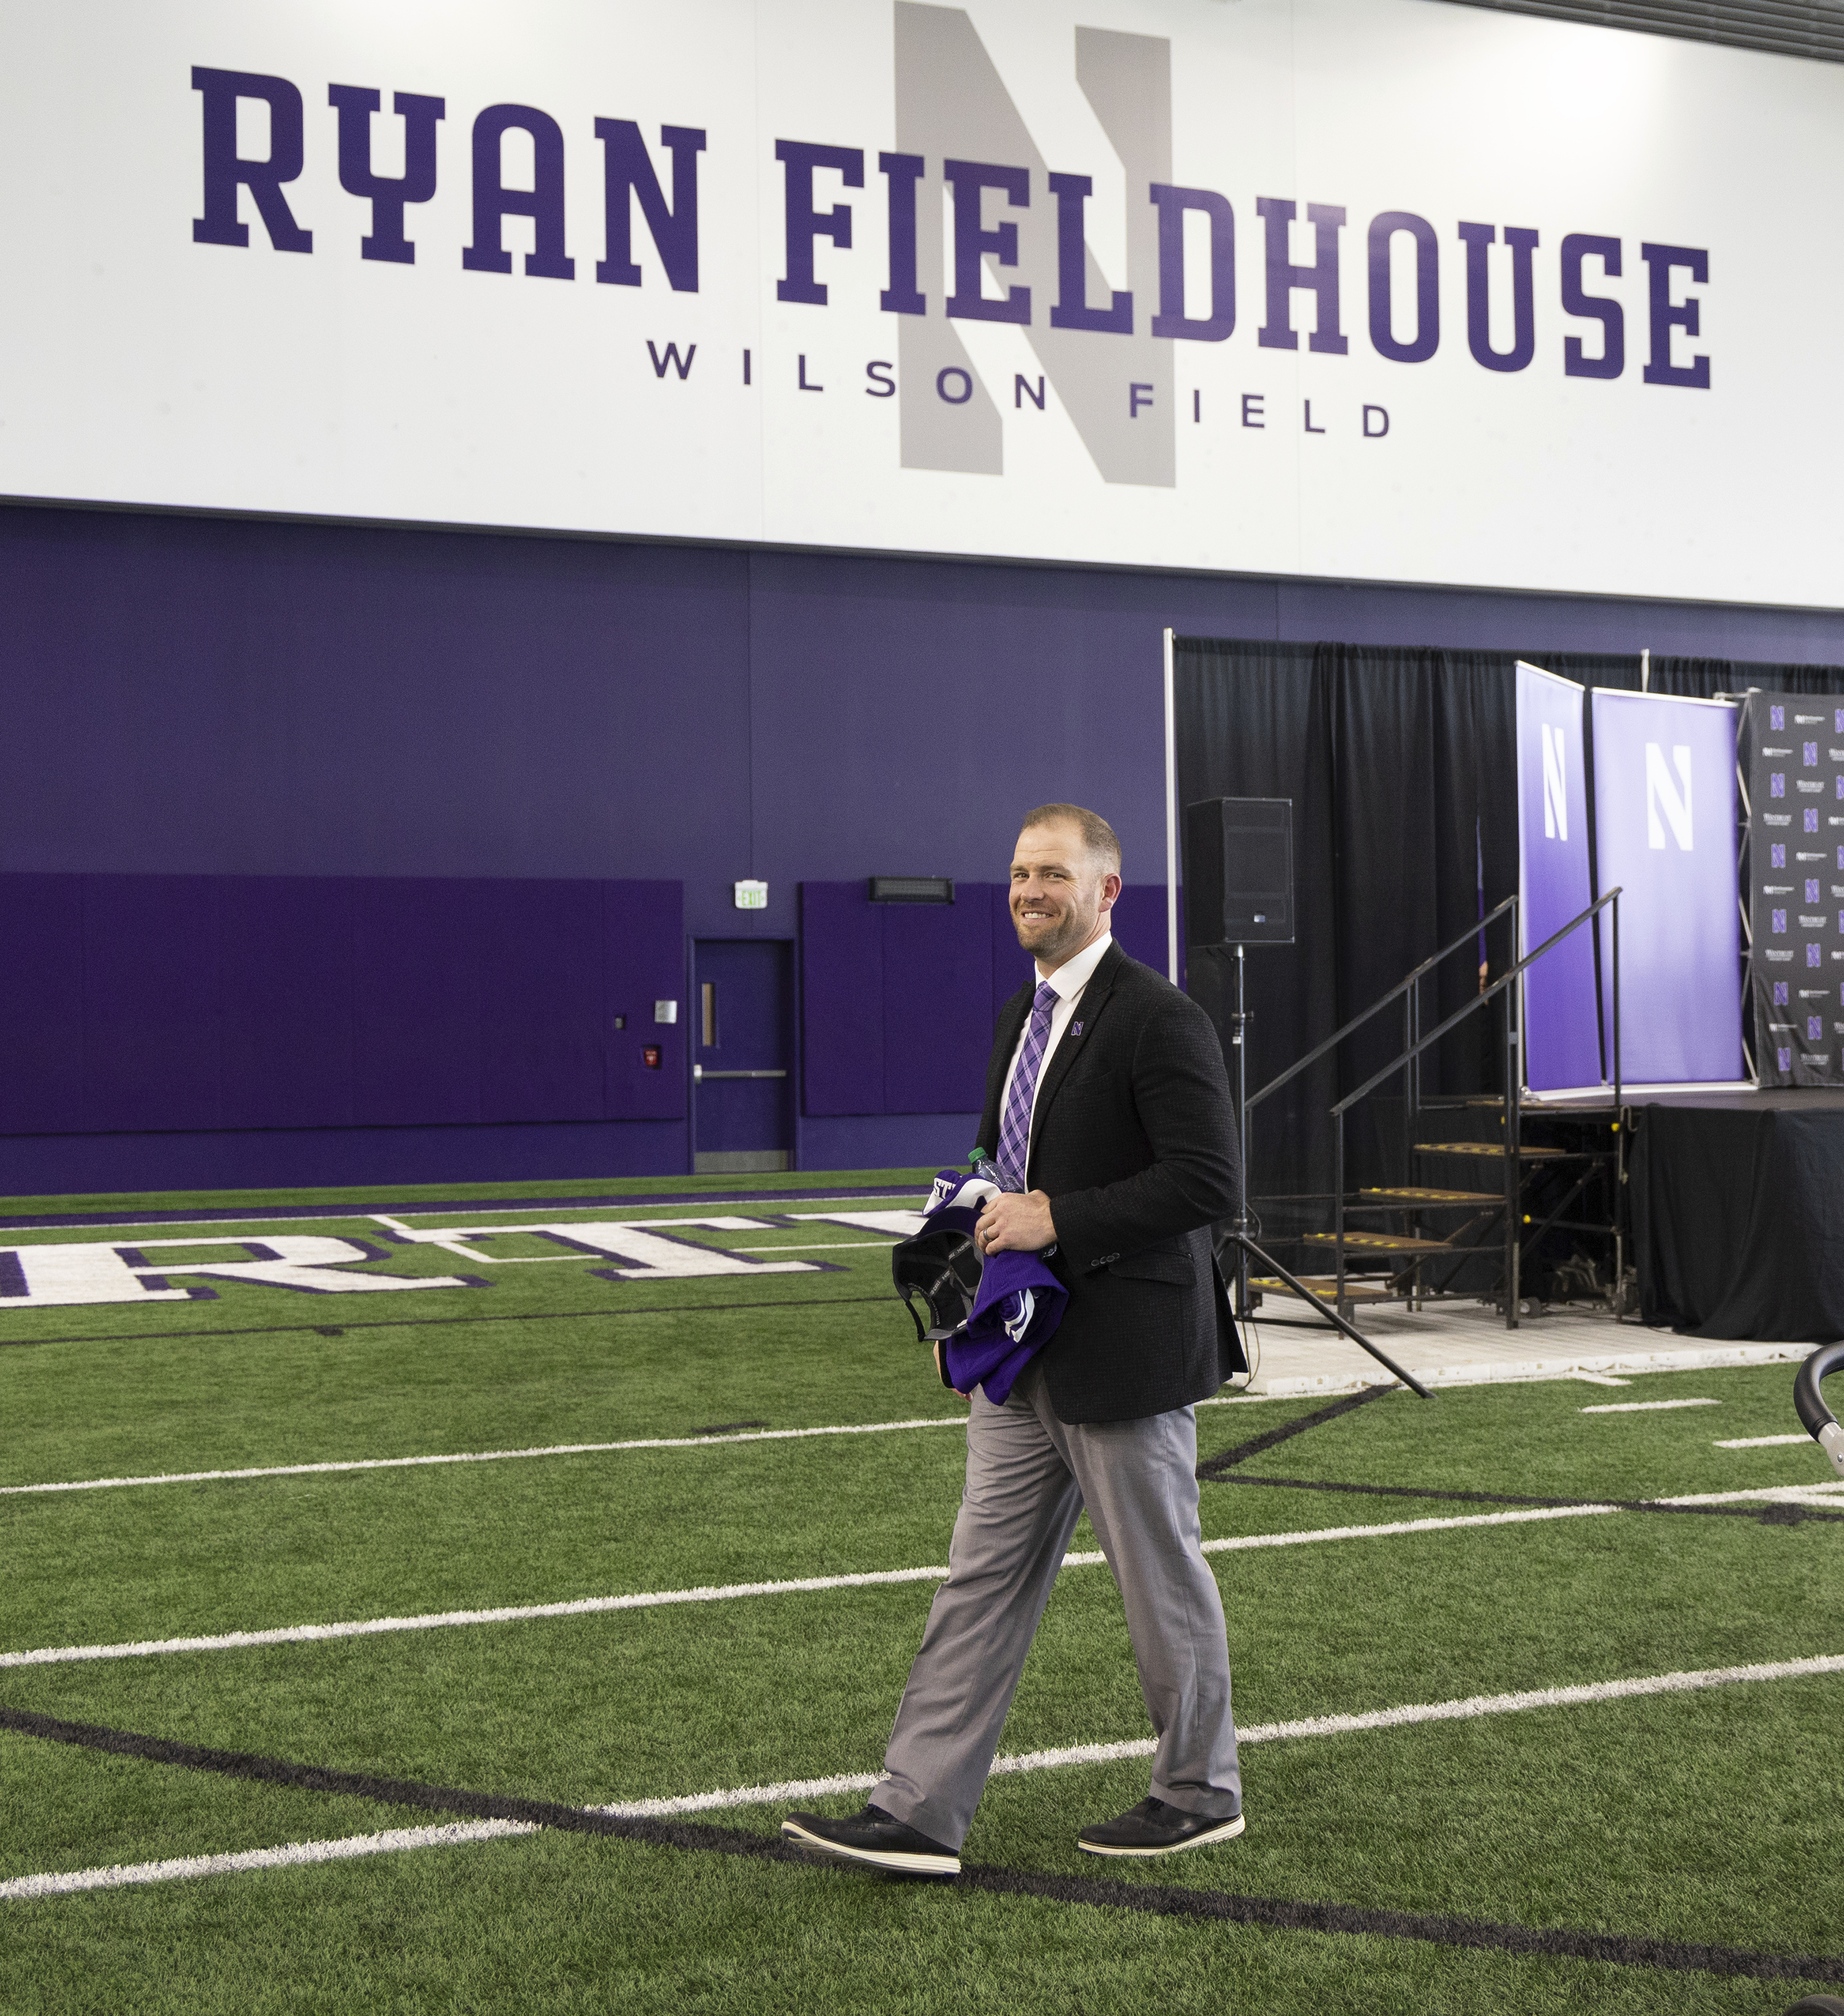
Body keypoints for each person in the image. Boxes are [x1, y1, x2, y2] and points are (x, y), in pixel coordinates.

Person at [782, 802, 1247, 1876]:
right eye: (1017, 874)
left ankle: (1199, 1789)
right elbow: (1010, 1162)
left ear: (1105, 891)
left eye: (1052, 873)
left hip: (1124, 1352)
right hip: (1024, 1348)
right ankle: (917, 1812)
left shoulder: (1156, 1017)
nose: (1029, 891)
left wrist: (1059, 1218)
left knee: (1157, 1579)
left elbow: (1208, 1181)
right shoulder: (1019, 1017)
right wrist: (972, 1283)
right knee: (978, 1580)